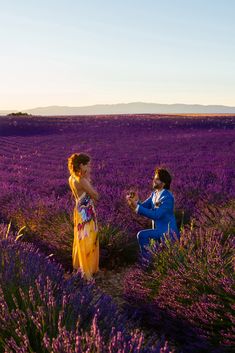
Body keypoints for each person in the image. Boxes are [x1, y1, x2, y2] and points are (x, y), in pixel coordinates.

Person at [126, 167, 180, 258]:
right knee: (144, 237)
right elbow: (143, 207)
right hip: (158, 231)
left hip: (167, 232)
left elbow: (156, 215)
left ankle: (148, 263)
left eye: (157, 179)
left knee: (142, 235)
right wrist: (135, 201)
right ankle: (151, 261)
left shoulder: (167, 197)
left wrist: (137, 207)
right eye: (154, 178)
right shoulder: (154, 194)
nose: (154, 180)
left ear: (163, 183)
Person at [67, 152, 99, 280]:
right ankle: (87, 271)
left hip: (79, 211)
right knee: (89, 239)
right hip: (87, 213)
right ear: (81, 165)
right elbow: (95, 195)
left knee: (80, 239)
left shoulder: (71, 178)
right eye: (88, 166)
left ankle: (79, 268)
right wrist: (88, 178)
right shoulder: (81, 180)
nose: (90, 168)